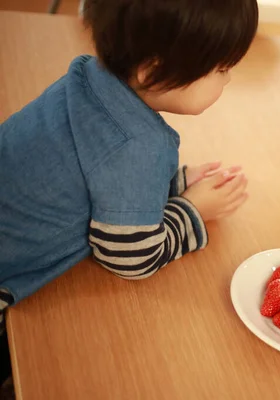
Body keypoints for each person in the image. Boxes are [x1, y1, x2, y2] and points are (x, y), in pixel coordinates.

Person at [0, 0, 258, 384]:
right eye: (221, 68)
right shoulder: (139, 146)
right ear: (153, 71)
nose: (229, 79)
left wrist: (171, 180)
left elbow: (94, 172)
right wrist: (191, 209)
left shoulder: (88, 77)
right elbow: (130, 256)